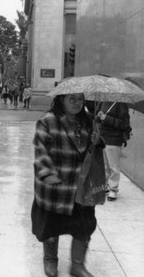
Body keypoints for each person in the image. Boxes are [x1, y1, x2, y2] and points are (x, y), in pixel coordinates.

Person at [32, 93, 104, 277]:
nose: (77, 103)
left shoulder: (89, 120)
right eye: (71, 99)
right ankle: (50, 260)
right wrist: (47, 174)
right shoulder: (47, 121)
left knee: (84, 226)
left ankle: (77, 264)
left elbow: (94, 151)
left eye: (80, 99)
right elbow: (40, 151)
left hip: (81, 188)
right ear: (60, 100)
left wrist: (97, 141)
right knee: (50, 227)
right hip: (55, 188)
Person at [96, 102, 131, 201]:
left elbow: (124, 124)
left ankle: (113, 189)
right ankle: (106, 186)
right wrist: (98, 116)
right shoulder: (102, 101)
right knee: (105, 166)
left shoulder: (121, 104)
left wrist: (106, 118)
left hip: (114, 139)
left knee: (113, 166)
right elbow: (97, 119)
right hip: (102, 138)